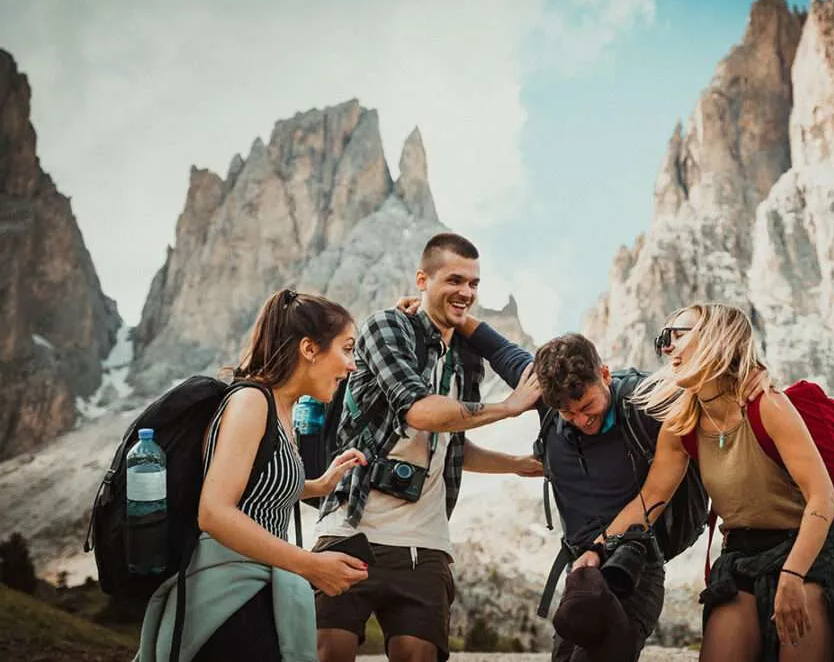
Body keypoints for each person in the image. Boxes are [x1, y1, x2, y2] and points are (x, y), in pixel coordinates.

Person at [397, 305, 768, 662]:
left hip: (633, 567)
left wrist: (753, 376)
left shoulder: (644, 401)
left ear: (604, 374)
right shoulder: (546, 395)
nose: (580, 420)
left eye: (587, 406)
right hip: (583, 571)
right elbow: (496, 347)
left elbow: (710, 381)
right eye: (567, 413)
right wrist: (438, 311)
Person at [601, 302, 834, 662]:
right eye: (662, 339)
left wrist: (793, 575)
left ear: (717, 337)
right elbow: (651, 496)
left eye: (676, 336)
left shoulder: (767, 405)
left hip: (803, 550)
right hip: (740, 556)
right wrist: (596, 548)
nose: (665, 348)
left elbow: (823, 498)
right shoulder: (680, 423)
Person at [312, 232, 544, 662]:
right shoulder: (387, 327)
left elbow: (450, 443)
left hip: (426, 542)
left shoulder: (466, 357)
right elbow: (419, 411)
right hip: (352, 528)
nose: (467, 292)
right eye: (455, 280)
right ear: (423, 279)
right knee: (328, 653)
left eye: (474, 283)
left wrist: (516, 465)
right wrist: (507, 408)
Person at [139, 288, 372, 661]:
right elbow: (214, 513)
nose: (352, 364)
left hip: (259, 588)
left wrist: (316, 484)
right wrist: (311, 565)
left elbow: (255, 489)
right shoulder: (251, 401)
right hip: (226, 598)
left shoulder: (281, 410)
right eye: (346, 348)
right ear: (309, 349)